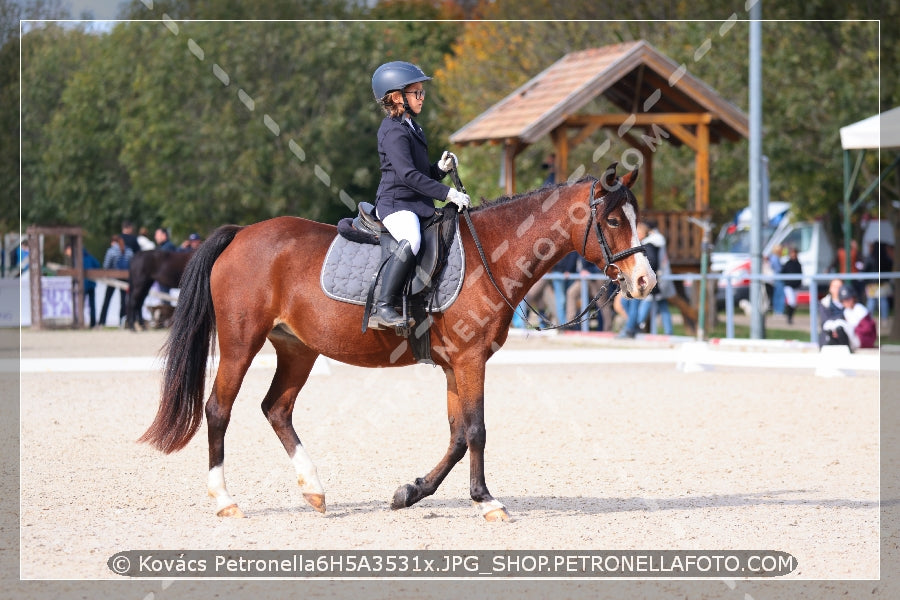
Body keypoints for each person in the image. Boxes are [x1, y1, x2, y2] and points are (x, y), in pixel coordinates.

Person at [367, 60, 469, 329]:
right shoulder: (392, 131)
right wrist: (449, 194)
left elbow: (420, 174)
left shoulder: (412, 127)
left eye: (422, 92)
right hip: (395, 204)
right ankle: (384, 306)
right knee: (411, 239)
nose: (422, 98)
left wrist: (439, 169)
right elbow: (407, 177)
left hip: (414, 202)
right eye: (417, 93)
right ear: (398, 96)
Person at [821, 284, 876, 351]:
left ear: (853, 298)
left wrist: (852, 330)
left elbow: (867, 329)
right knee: (831, 326)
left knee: (840, 325)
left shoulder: (860, 309)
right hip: (853, 339)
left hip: (863, 340)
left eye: (848, 299)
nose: (846, 302)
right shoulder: (846, 311)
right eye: (843, 301)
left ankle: (847, 349)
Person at [98, 234, 133, 327]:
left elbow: (106, 265)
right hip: (125, 279)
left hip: (112, 279)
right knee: (123, 301)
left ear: (114, 242)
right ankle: (122, 322)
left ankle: (102, 321)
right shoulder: (129, 251)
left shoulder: (111, 251)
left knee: (107, 300)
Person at [65, 244, 101, 327]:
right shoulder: (90, 257)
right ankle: (92, 323)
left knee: (81, 304)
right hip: (91, 284)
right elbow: (97, 265)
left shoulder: (78, 259)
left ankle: (80, 322)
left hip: (83, 285)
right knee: (92, 305)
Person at [863, 241, 893, 320]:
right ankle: (884, 319)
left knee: (871, 302)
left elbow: (864, 270)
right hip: (882, 283)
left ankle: (869, 319)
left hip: (872, 284)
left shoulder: (870, 258)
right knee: (883, 301)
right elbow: (889, 268)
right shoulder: (886, 259)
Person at [818, 278, 845, 347]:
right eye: (835, 287)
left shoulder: (848, 303)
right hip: (828, 335)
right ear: (830, 288)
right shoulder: (824, 303)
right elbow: (825, 321)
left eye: (839, 287)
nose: (837, 289)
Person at [780, 246, 803, 324]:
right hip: (789, 286)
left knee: (794, 303)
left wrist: (799, 283)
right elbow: (782, 273)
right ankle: (789, 317)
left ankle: (790, 316)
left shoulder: (798, 264)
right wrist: (787, 281)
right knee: (791, 301)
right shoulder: (788, 263)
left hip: (796, 286)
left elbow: (800, 275)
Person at [764, 243, 785, 315]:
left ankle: (777, 310)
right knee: (779, 295)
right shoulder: (775, 258)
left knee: (776, 294)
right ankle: (778, 310)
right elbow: (778, 269)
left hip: (775, 278)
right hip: (778, 278)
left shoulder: (772, 258)